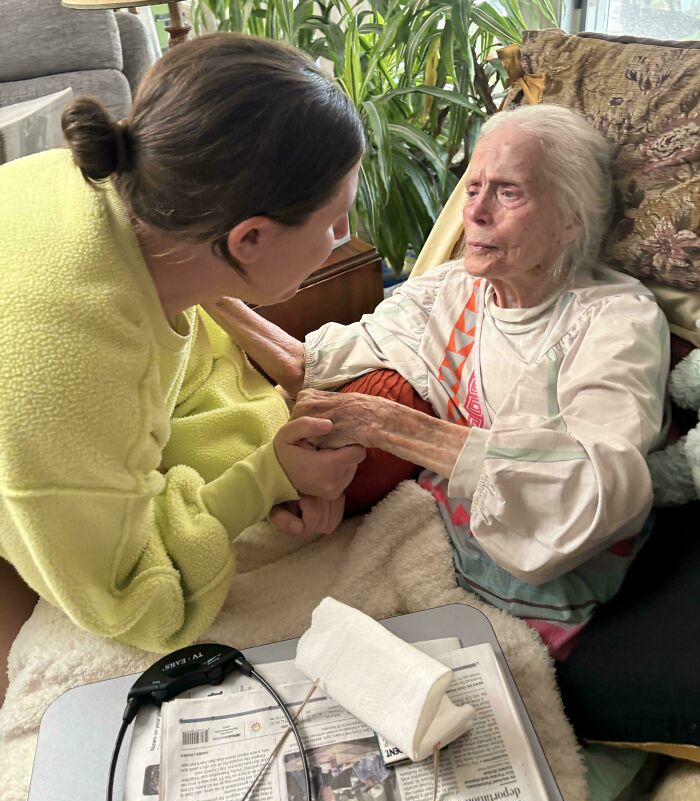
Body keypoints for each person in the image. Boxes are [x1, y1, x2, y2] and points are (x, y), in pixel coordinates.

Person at [212, 104, 670, 659]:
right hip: (440, 536)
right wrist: (209, 287)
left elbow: (599, 487)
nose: (474, 212)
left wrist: (390, 426)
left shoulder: (615, 319)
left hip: (550, 578)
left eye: (509, 192)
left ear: (572, 218)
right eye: (472, 188)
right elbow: (311, 364)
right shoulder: (451, 289)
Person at [0, 33, 368, 675]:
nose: (344, 241)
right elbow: (136, 604)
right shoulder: (71, 369)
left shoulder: (104, 183)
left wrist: (274, 399)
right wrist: (264, 480)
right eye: (336, 223)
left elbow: (194, 331)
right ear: (249, 237)